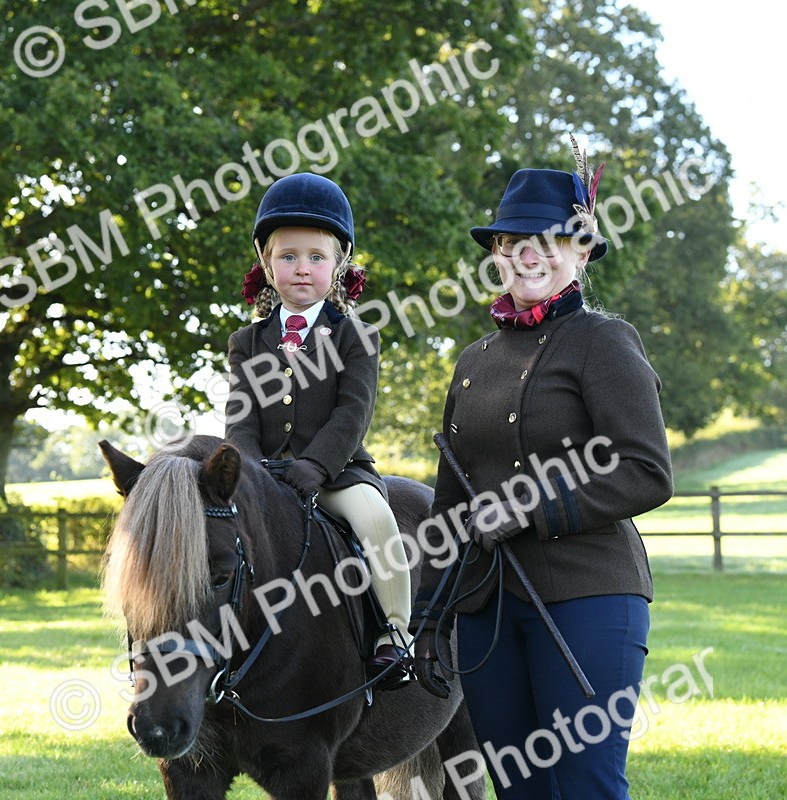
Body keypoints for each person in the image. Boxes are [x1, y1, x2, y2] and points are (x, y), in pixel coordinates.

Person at [410, 154, 674, 798]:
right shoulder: (473, 360)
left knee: (584, 783)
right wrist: (427, 619)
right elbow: (452, 501)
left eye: (550, 241)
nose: (531, 255)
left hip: (589, 596)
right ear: (498, 253)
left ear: (580, 252)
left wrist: (529, 509)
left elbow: (646, 471)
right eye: (513, 242)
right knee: (516, 788)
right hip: (486, 607)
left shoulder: (604, 341)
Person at [226, 172, 412, 687]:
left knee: (376, 519)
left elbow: (354, 412)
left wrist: (316, 465)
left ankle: (394, 635)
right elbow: (240, 415)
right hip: (261, 475)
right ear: (267, 264)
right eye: (288, 257)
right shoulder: (247, 341)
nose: (301, 269)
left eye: (316, 257)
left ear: (339, 265)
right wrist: (248, 470)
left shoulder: (355, 334)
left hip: (336, 474)